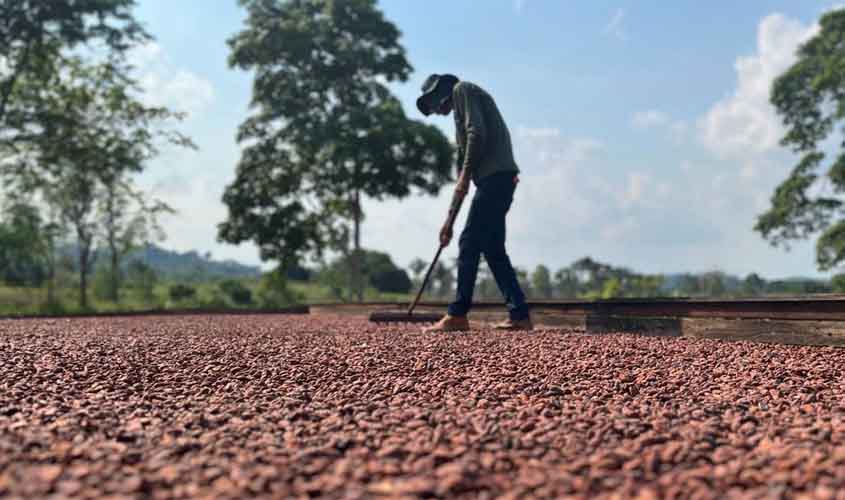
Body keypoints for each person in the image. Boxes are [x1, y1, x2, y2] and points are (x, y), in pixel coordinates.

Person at [416, 74, 532, 332]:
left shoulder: (462, 90)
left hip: (496, 179)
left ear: (441, 93)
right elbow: (461, 183)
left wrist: (466, 175)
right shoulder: (459, 123)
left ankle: (457, 314)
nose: (436, 111)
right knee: (492, 249)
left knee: (469, 241)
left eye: (434, 103)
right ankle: (520, 315)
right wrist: (448, 222)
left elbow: (476, 132)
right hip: (498, 181)